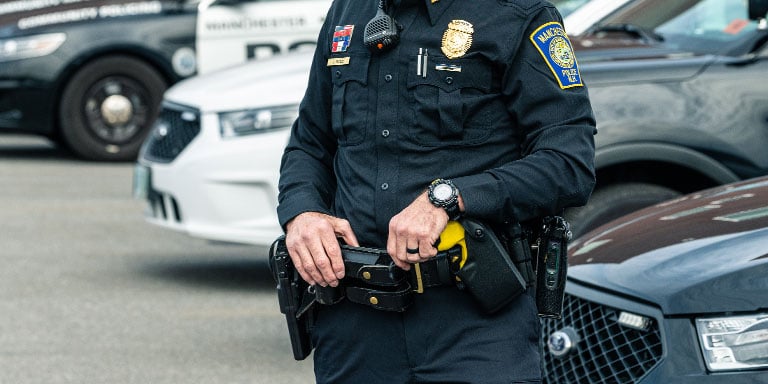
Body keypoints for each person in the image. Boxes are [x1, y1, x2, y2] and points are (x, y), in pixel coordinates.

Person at [276, 0, 596, 381]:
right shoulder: (349, 9)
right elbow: (310, 143)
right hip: (354, 319)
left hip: (474, 320)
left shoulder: (518, 13)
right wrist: (303, 213)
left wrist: (448, 197)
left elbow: (568, 162)